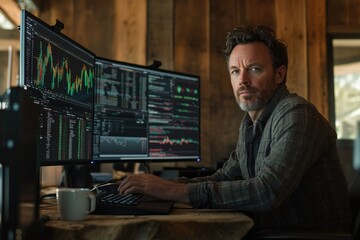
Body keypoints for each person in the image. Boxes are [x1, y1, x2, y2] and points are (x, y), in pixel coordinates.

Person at [118, 25, 352, 232]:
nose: (243, 80)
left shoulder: (297, 114)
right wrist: (161, 187)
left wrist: (171, 192)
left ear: (279, 74)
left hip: (311, 236)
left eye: (255, 69)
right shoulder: (250, 124)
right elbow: (223, 177)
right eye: (235, 71)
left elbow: (267, 191)